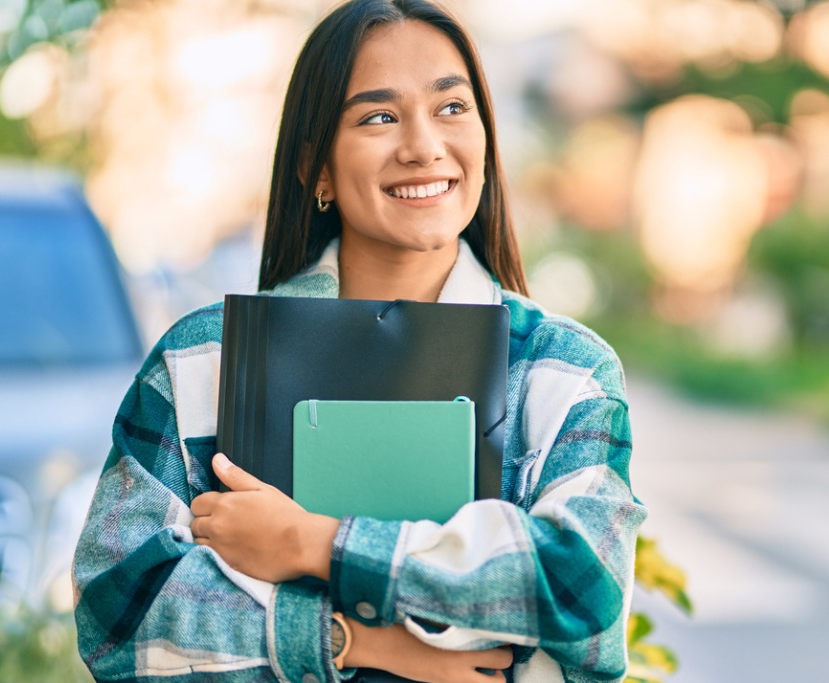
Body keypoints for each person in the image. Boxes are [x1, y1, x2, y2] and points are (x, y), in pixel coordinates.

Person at [72, 1, 645, 681]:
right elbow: (117, 612)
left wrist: (313, 543)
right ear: (315, 167)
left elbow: (583, 593)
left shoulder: (564, 372)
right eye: (379, 116)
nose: (424, 145)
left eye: (452, 108)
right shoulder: (205, 361)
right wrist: (348, 640)